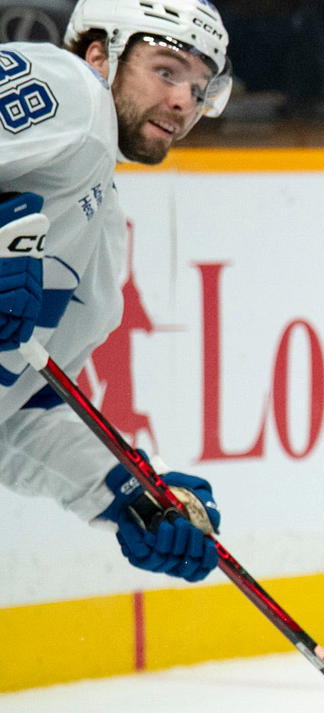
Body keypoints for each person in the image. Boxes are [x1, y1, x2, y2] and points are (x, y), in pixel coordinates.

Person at [0, 0, 231, 583]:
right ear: (100, 55)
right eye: (165, 70)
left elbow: (16, 419)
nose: (184, 102)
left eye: (200, 89)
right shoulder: (71, 91)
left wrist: (131, 490)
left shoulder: (99, 261)